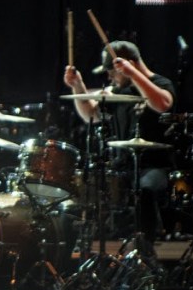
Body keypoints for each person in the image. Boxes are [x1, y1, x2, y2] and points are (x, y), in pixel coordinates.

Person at [63, 40, 175, 247]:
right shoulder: (117, 91)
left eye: (112, 70)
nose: (109, 76)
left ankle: (145, 252)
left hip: (154, 166)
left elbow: (162, 103)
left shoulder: (160, 83)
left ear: (129, 64)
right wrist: (77, 85)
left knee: (145, 190)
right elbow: (90, 114)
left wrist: (133, 74)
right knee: (76, 197)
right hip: (120, 167)